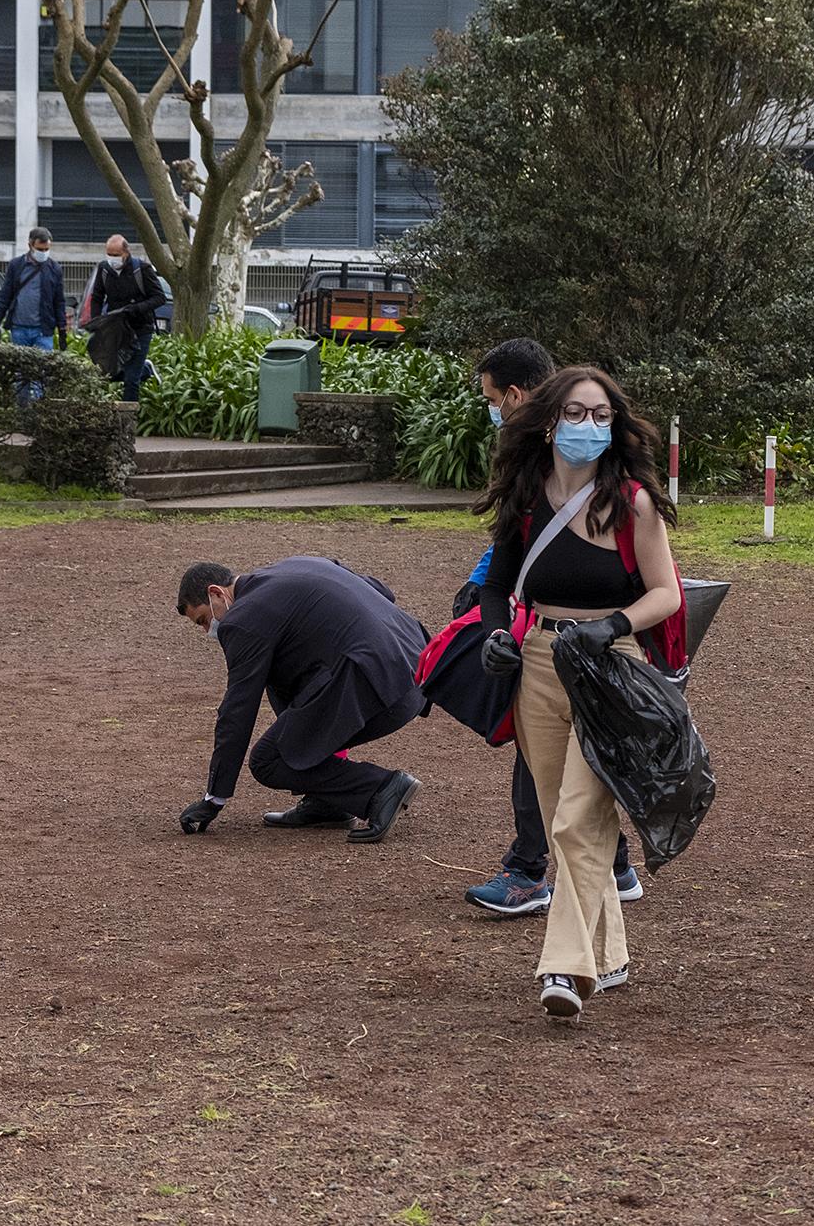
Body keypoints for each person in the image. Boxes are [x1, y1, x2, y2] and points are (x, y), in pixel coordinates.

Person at [474, 366, 681, 1017]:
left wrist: (613, 626)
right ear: (548, 421)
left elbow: (667, 592)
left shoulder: (634, 503)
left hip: (610, 667)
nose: (588, 426)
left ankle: (564, 968)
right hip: (538, 663)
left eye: (600, 416)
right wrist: (498, 632)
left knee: (574, 820)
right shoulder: (527, 497)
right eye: (575, 413)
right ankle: (610, 952)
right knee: (568, 816)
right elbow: (494, 585)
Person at [457, 339, 643, 917]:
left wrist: (613, 626)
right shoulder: (531, 467)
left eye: (493, 400)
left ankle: (529, 870)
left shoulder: (609, 485)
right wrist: (492, 612)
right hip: (546, 638)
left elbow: (652, 577)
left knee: (555, 758)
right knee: (561, 754)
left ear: (515, 395)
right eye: (575, 413)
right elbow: (517, 542)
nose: (494, 411)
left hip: (598, 644)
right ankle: (610, 866)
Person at [175, 557, 427, 843]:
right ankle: (330, 802)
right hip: (417, 669)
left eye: (204, 620)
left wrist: (214, 797)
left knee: (270, 759)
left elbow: (238, 709)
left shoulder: (243, 619)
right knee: (285, 686)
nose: (208, 630)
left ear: (216, 593)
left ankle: (381, 787)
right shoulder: (299, 565)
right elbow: (380, 590)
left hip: (383, 689)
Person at [78, 234, 167, 402]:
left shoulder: (141, 269)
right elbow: (97, 297)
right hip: (116, 330)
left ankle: (127, 422)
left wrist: (136, 309)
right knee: (110, 373)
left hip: (140, 329)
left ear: (126, 252)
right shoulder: (104, 269)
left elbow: (159, 297)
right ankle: (146, 370)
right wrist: (97, 323)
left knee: (131, 380)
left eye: (116, 255)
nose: (112, 259)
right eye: (109, 254)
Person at [0, 227, 68, 403]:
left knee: (40, 373)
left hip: (43, 330)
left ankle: (38, 411)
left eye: (47, 249)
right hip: (19, 328)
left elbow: (59, 301)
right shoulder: (16, 266)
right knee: (21, 374)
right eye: (40, 249)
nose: (44, 253)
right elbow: (5, 295)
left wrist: (62, 330)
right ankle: (22, 413)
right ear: (30, 245)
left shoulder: (54, 268)